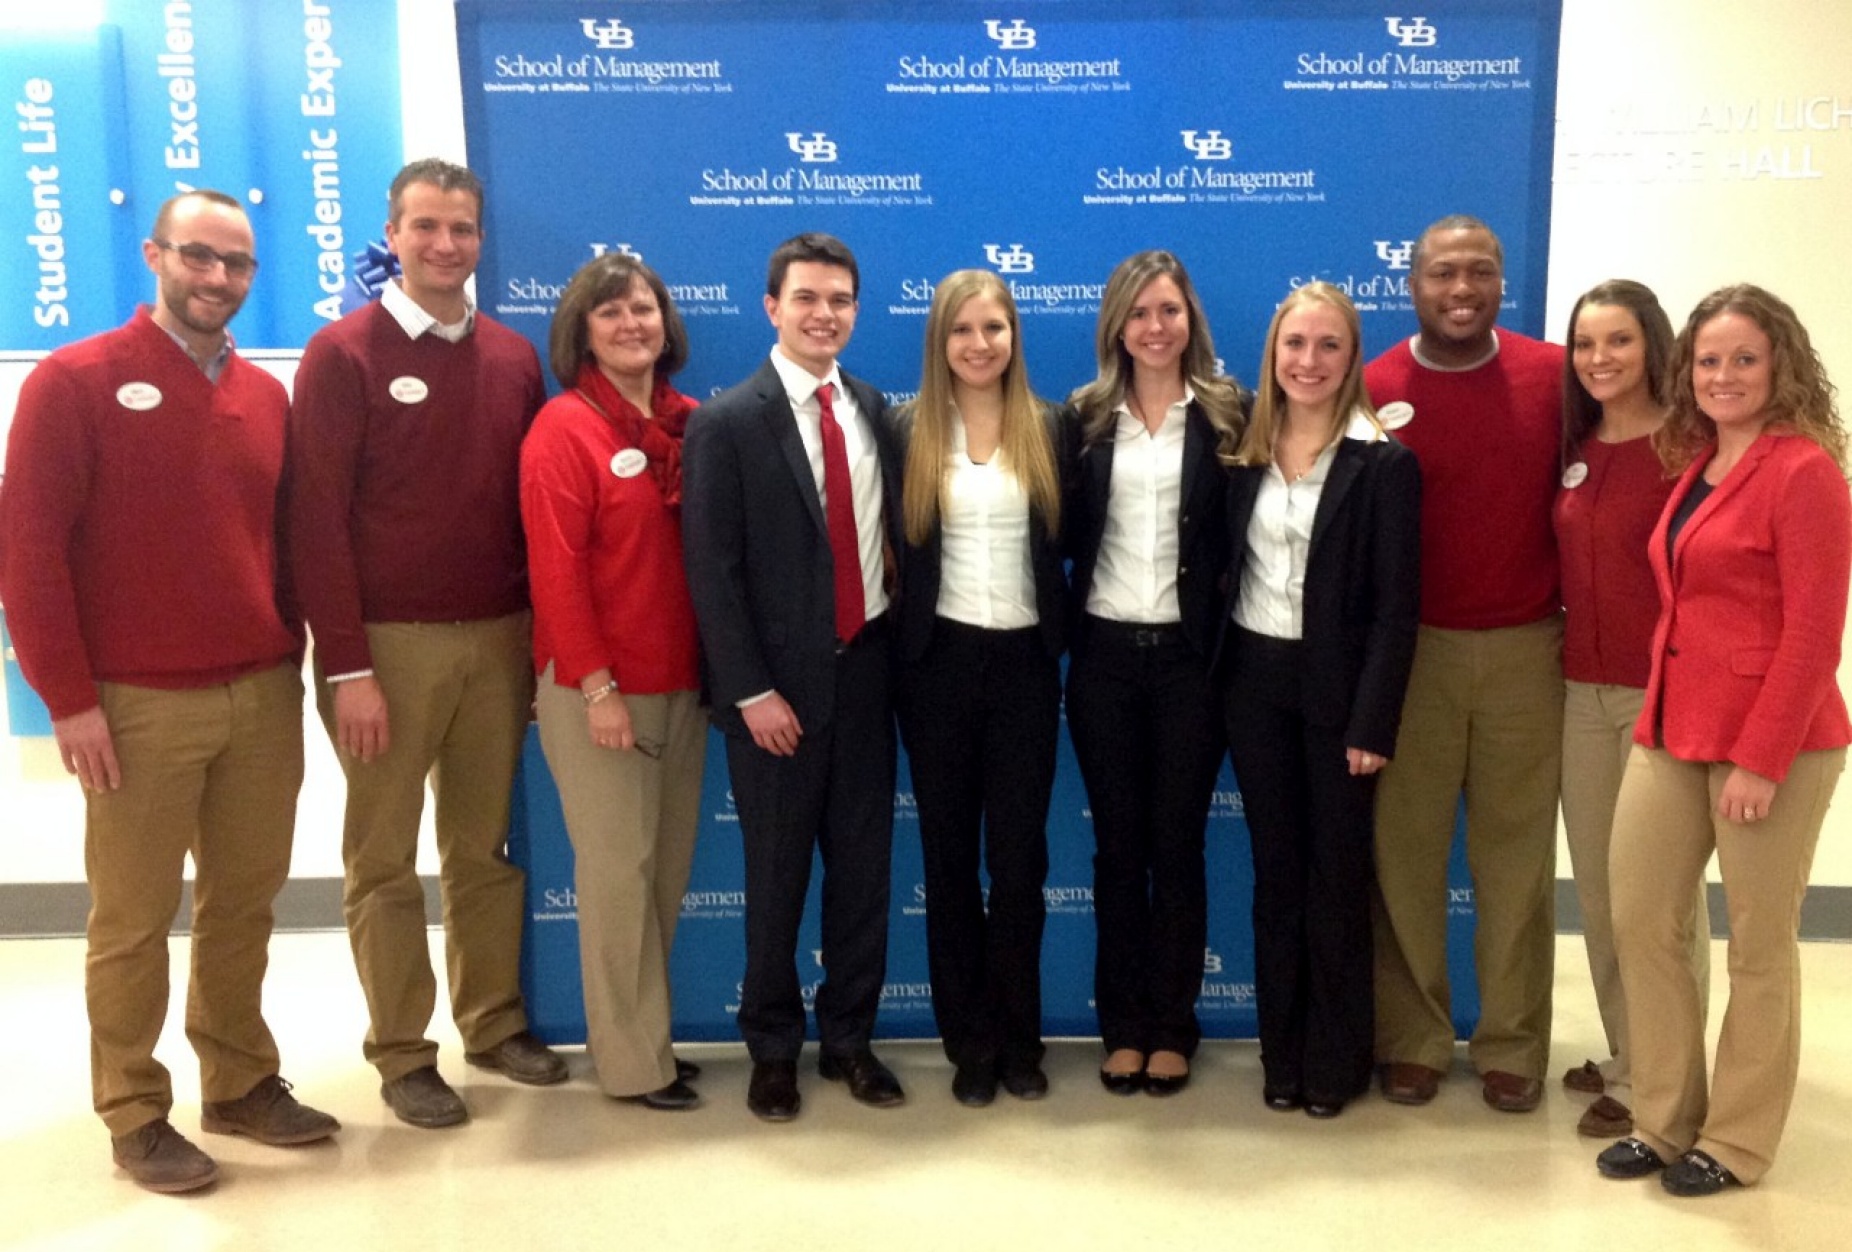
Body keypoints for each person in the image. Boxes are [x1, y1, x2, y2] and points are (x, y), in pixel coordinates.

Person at [0, 190, 338, 1193]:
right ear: (155, 254)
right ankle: (135, 1109)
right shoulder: (74, 381)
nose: (217, 280)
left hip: (261, 691)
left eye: (237, 264)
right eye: (198, 257)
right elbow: (28, 555)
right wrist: (69, 699)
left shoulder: (266, 397)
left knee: (243, 904)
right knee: (134, 917)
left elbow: (283, 545)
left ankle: (236, 1080)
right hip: (135, 701)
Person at [287, 159, 564, 1130]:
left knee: (482, 849)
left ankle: (491, 1025)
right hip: (385, 653)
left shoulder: (512, 358)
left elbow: (533, 518)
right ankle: (404, 1053)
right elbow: (314, 522)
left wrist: (537, 647)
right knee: (383, 859)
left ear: (480, 240)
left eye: (462, 229)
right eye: (426, 227)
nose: (446, 245)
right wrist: (349, 667)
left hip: (496, 640)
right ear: (392, 234)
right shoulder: (342, 354)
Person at [1597, 285, 1850, 1196]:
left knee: (1757, 942)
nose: (1724, 375)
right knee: (1642, 918)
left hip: (1771, 740)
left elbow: (1815, 636)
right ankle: (1663, 1120)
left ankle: (1736, 1141)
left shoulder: (1804, 470)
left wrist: (1762, 758)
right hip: (1673, 725)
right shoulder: (1698, 458)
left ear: (1779, 363)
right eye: (1708, 360)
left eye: (1744, 358)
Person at [682, 232, 906, 1121]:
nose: (825, 314)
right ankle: (771, 1048)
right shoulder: (726, 421)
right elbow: (713, 571)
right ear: (771, 306)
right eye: (807, 298)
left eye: (841, 300)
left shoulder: (876, 409)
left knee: (863, 879)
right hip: (773, 699)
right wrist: (749, 691)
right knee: (776, 883)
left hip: (868, 683)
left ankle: (849, 1040)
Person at [1364, 214, 1565, 1113]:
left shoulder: (1556, 378)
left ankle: (1513, 1043)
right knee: (1403, 857)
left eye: (1479, 271)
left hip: (1531, 649)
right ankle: (1413, 1036)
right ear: (1411, 283)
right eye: (1443, 272)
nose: (1461, 289)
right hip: (1411, 657)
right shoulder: (1372, 387)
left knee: (1516, 860)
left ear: (1500, 281)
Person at [1218, 282, 1421, 1118]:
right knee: (1276, 877)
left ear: (1353, 356)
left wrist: (1373, 721)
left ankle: (1334, 1062)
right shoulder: (1241, 451)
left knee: (1336, 880)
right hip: (1254, 684)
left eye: (1328, 345)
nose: (1308, 362)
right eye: (1294, 344)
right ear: (1273, 353)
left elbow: (1395, 609)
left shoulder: (1385, 463)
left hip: (1340, 696)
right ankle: (1282, 1053)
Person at [519, 254, 706, 1111]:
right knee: (615, 876)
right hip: (599, 693)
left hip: (683, 688)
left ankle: (650, 1040)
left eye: (644, 308)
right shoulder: (564, 429)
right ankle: (631, 1066)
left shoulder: (694, 424)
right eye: (610, 313)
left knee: (661, 874)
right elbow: (556, 576)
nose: (632, 324)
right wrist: (597, 691)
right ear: (581, 332)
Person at [1064, 250, 1243, 1096]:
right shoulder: (1086, 418)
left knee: (1176, 848)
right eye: (1139, 313)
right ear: (1117, 325)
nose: (1155, 327)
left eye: (1169, 310)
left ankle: (1173, 1026)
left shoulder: (1228, 414)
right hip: (1101, 658)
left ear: (1190, 319)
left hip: (1188, 665)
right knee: (1114, 850)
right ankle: (1122, 1025)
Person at [892, 270, 1070, 1106]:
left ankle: (1020, 1040)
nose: (978, 343)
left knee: (1020, 864)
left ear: (1013, 336)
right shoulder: (906, 431)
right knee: (949, 864)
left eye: (993, 327)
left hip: (1028, 668)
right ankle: (968, 1043)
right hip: (937, 670)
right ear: (940, 341)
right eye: (961, 329)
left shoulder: (1050, 428)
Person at [1553, 280, 1711, 1139]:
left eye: (1618, 341)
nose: (1600, 359)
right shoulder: (1573, 443)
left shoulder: (1690, 447)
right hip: (1580, 691)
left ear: (1653, 345)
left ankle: (1671, 1075)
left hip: (1664, 695)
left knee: (1662, 899)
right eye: (1585, 344)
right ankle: (1628, 1053)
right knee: (1607, 890)